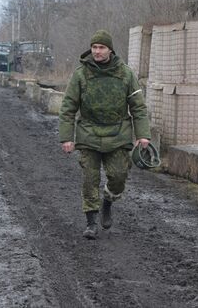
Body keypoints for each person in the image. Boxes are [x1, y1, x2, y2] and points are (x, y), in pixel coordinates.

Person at [58, 30, 150, 240]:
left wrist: (143, 134)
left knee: (118, 176)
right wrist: (67, 137)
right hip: (88, 133)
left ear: (110, 50)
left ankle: (108, 200)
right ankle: (91, 222)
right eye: (94, 47)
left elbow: (138, 107)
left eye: (101, 47)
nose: (97, 51)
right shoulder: (81, 74)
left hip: (118, 134)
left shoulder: (126, 74)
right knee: (89, 179)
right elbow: (68, 108)